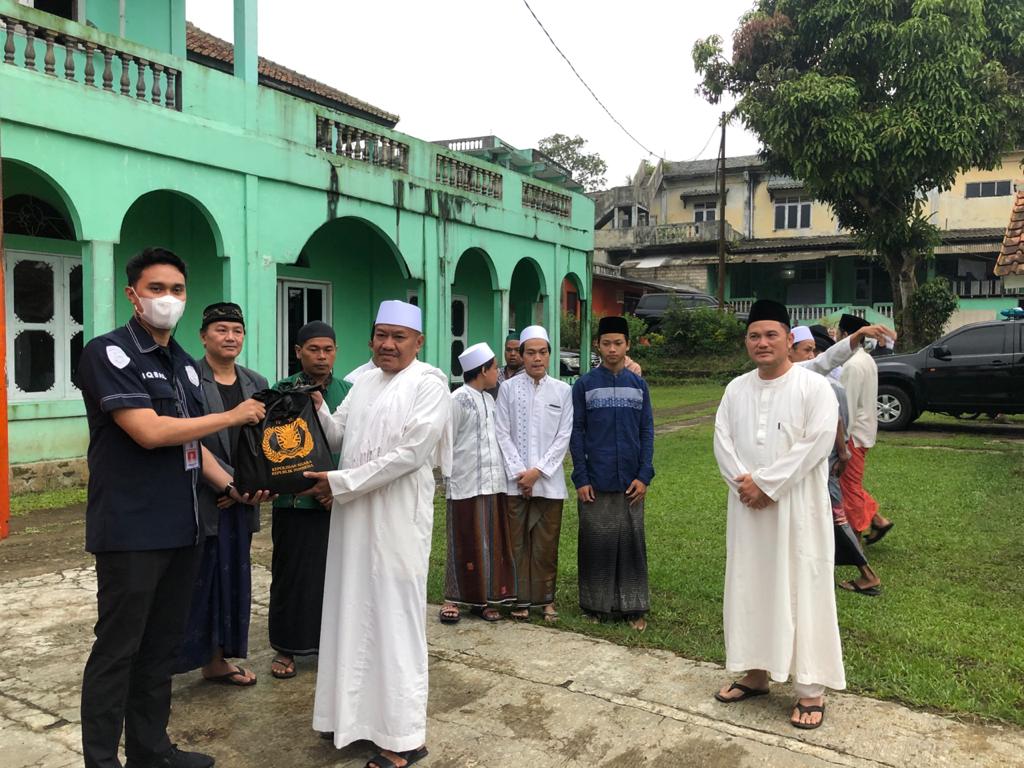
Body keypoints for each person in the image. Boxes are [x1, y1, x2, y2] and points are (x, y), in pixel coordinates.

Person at [75, 247, 269, 768]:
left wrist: (236, 483)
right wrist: (231, 418)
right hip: (133, 530)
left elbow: (190, 448)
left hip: (186, 529)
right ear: (132, 294)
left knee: (160, 647)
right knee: (119, 649)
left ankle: (151, 750)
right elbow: (148, 431)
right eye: (156, 289)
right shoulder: (108, 353)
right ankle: (101, 760)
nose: (167, 299)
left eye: (177, 290)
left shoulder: (183, 366)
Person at [302, 300, 450, 768]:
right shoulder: (362, 378)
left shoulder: (430, 384)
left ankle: (404, 737)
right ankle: (348, 718)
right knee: (348, 611)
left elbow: (411, 454)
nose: (387, 344)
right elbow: (339, 435)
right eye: (380, 335)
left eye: (398, 337)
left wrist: (340, 483)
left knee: (393, 620)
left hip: (396, 521)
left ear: (418, 342)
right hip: (352, 519)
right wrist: (314, 409)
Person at [712, 299, 844, 730]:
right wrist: (744, 483)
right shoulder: (736, 389)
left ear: (790, 340)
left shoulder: (814, 388)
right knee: (751, 585)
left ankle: (810, 689)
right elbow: (722, 441)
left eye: (771, 335)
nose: (762, 343)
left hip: (798, 511)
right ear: (746, 341)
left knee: (802, 588)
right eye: (754, 335)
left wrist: (767, 484)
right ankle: (755, 674)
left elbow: (818, 442)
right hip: (749, 511)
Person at [175, 302, 268, 687]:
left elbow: (267, 442)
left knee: (231, 581)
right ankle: (165, 667)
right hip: (199, 498)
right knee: (193, 583)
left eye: (237, 331)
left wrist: (252, 486)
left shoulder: (256, 383)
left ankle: (216, 660)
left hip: (241, 501)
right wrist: (225, 482)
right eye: (221, 330)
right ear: (203, 336)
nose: (230, 337)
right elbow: (185, 435)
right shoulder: (186, 378)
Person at [267, 321, 351, 681]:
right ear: (298, 352)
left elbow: (356, 445)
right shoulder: (281, 391)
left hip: (338, 500)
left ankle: (330, 646)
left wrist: (339, 487)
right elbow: (273, 447)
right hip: (295, 502)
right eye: (313, 349)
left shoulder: (350, 391)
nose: (321, 356)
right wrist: (304, 488)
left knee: (335, 576)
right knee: (291, 575)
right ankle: (286, 647)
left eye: (328, 349)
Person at [570, 316, 655, 631]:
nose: (612, 349)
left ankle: (634, 608)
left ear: (628, 345)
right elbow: (576, 433)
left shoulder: (639, 386)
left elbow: (647, 431)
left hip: (632, 480)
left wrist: (644, 475)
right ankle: (595, 605)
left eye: (618, 343)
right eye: (606, 343)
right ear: (597, 346)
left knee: (631, 542)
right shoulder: (585, 385)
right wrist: (581, 478)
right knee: (596, 541)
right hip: (596, 478)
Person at [793, 326, 882, 596]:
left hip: (825, 461)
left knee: (835, 516)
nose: (812, 355)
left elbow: (837, 420)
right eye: (806, 350)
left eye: (812, 350)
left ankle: (867, 575)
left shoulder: (821, 381)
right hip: (818, 461)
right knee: (821, 517)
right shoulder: (820, 380)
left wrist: (842, 453)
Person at [494, 325, 573, 623]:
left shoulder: (563, 391)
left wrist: (538, 472)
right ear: (521, 356)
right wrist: (520, 474)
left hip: (550, 484)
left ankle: (546, 600)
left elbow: (563, 436)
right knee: (516, 544)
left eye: (542, 352)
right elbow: (502, 432)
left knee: (545, 544)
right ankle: (519, 600)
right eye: (530, 353)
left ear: (550, 355)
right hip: (515, 484)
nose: (536, 358)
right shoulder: (508, 389)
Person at [439, 342, 518, 624]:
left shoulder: (489, 399)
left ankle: (483, 599)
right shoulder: (457, 399)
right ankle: (453, 598)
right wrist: (449, 476)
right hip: (465, 483)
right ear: (483, 370)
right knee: (462, 541)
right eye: (495, 367)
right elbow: (446, 440)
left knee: (488, 542)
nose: (498, 372)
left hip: (491, 482)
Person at [836, 314, 894, 544]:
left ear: (844, 335)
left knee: (849, 490)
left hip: (853, 436)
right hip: (865, 431)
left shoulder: (852, 365)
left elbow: (846, 408)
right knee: (850, 485)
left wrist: (842, 444)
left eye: (838, 333)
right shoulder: (866, 359)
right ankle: (878, 520)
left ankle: (856, 539)